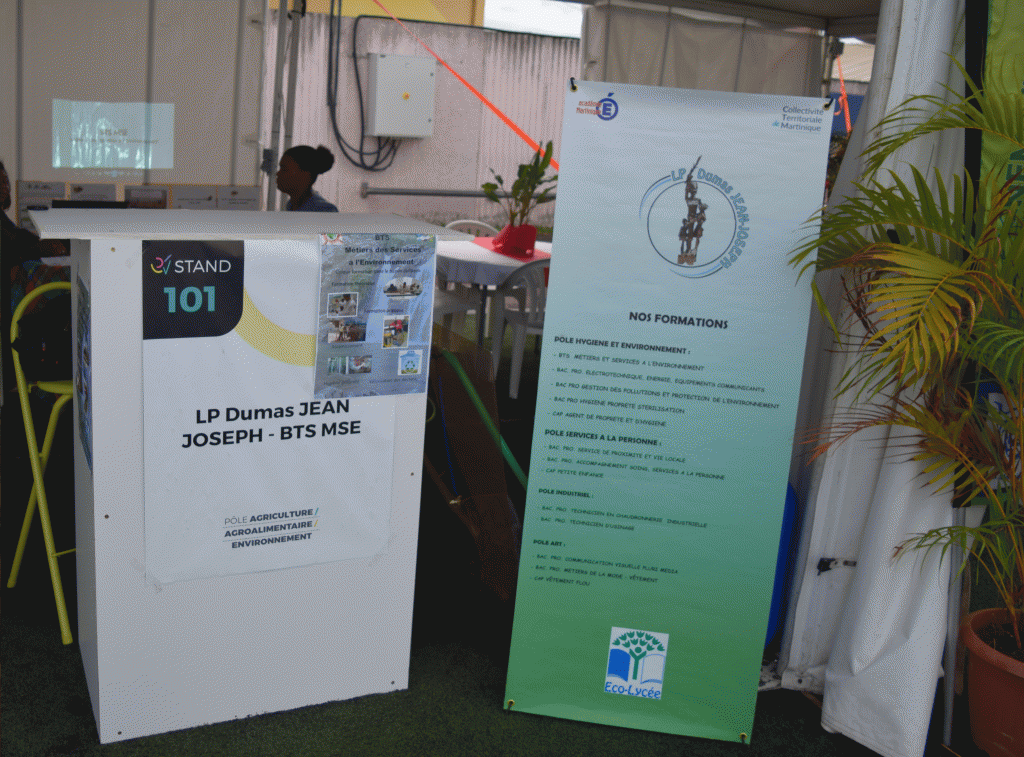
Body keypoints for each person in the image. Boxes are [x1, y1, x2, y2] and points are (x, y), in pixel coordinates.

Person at [275, 145, 339, 212]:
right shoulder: (290, 205)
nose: (278, 173)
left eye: (284, 169)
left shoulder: (324, 210)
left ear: (305, 175)